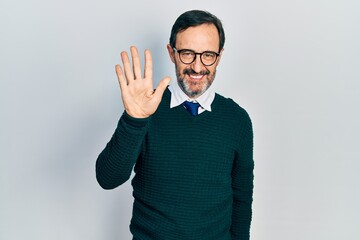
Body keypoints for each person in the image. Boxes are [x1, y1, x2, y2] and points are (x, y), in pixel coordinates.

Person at [96, 10, 254, 240]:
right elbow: (107, 178)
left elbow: (241, 199)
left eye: (208, 55)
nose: (198, 67)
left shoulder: (237, 120)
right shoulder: (145, 109)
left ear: (219, 57)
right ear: (171, 53)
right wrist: (134, 119)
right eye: (187, 54)